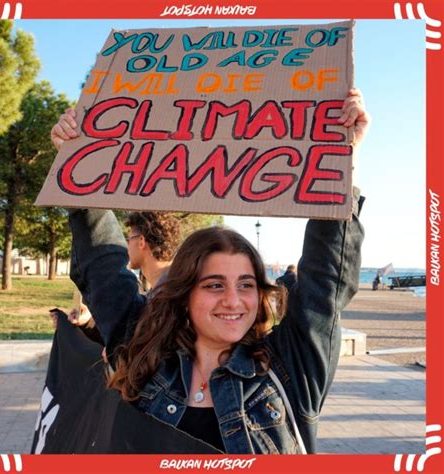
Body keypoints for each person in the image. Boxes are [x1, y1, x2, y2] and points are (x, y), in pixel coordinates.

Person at [50, 88, 369, 454]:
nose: (233, 300)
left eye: (246, 284)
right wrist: (76, 161)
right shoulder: (144, 351)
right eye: (214, 285)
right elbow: (103, 265)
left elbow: (326, 278)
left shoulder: (288, 368)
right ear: (185, 294)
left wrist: (344, 156)